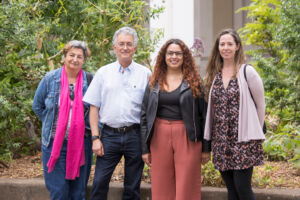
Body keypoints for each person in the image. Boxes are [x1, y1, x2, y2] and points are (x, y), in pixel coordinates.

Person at [83, 26, 151, 200]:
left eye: (129, 44)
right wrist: (95, 138)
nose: (125, 47)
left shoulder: (145, 74)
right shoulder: (103, 73)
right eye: (121, 44)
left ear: (135, 48)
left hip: (135, 135)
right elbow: (93, 107)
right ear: (114, 47)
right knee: (99, 183)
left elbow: (151, 110)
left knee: (132, 186)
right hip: (109, 136)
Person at [140, 38, 211, 200]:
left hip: (187, 135)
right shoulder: (153, 82)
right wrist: (144, 148)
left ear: (184, 56)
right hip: (159, 134)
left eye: (178, 53)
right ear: (164, 56)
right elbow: (144, 115)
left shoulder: (195, 82)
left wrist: (206, 148)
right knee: (161, 184)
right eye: (170, 53)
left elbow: (204, 116)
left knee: (188, 184)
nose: (174, 57)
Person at [204, 28, 265, 200]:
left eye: (229, 44)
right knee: (231, 188)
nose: (225, 47)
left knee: (242, 187)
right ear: (218, 47)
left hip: (243, 140)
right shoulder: (214, 75)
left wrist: (254, 132)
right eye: (222, 44)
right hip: (221, 140)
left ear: (237, 46)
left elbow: (261, 106)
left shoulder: (247, 72)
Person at [32, 40, 93, 200]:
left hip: (81, 144)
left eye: (79, 56)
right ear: (64, 56)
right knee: (59, 193)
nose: (75, 59)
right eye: (71, 55)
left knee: (78, 193)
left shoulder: (89, 81)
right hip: (54, 144)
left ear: (84, 60)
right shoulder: (50, 79)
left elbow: (95, 111)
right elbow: (37, 106)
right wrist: (52, 125)